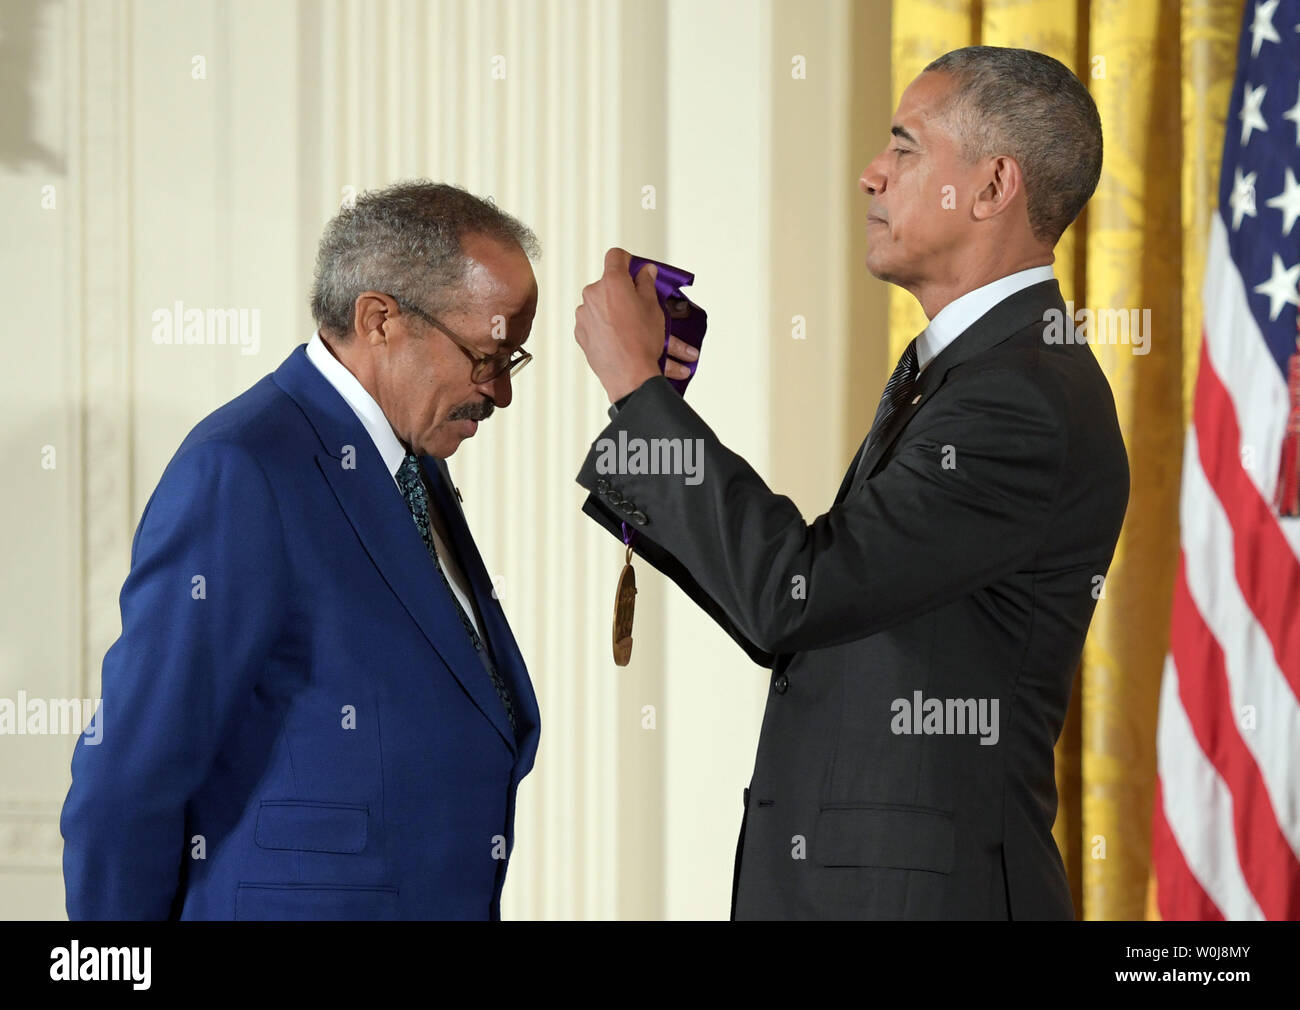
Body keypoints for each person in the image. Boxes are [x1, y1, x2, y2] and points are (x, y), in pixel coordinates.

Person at [572, 46, 1129, 920]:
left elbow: (797, 593)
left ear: (991, 188)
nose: (871, 174)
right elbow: (816, 616)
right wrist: (655, 421)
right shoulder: (969, 367)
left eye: (905, 148)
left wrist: (639, 396)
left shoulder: (1019, 397)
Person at [61, 181, 541, 920]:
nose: (501, 392)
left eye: (515, 358)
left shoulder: (415, 468)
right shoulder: (241, 471)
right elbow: (127, 782)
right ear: (380, 319)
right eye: (487, 355)